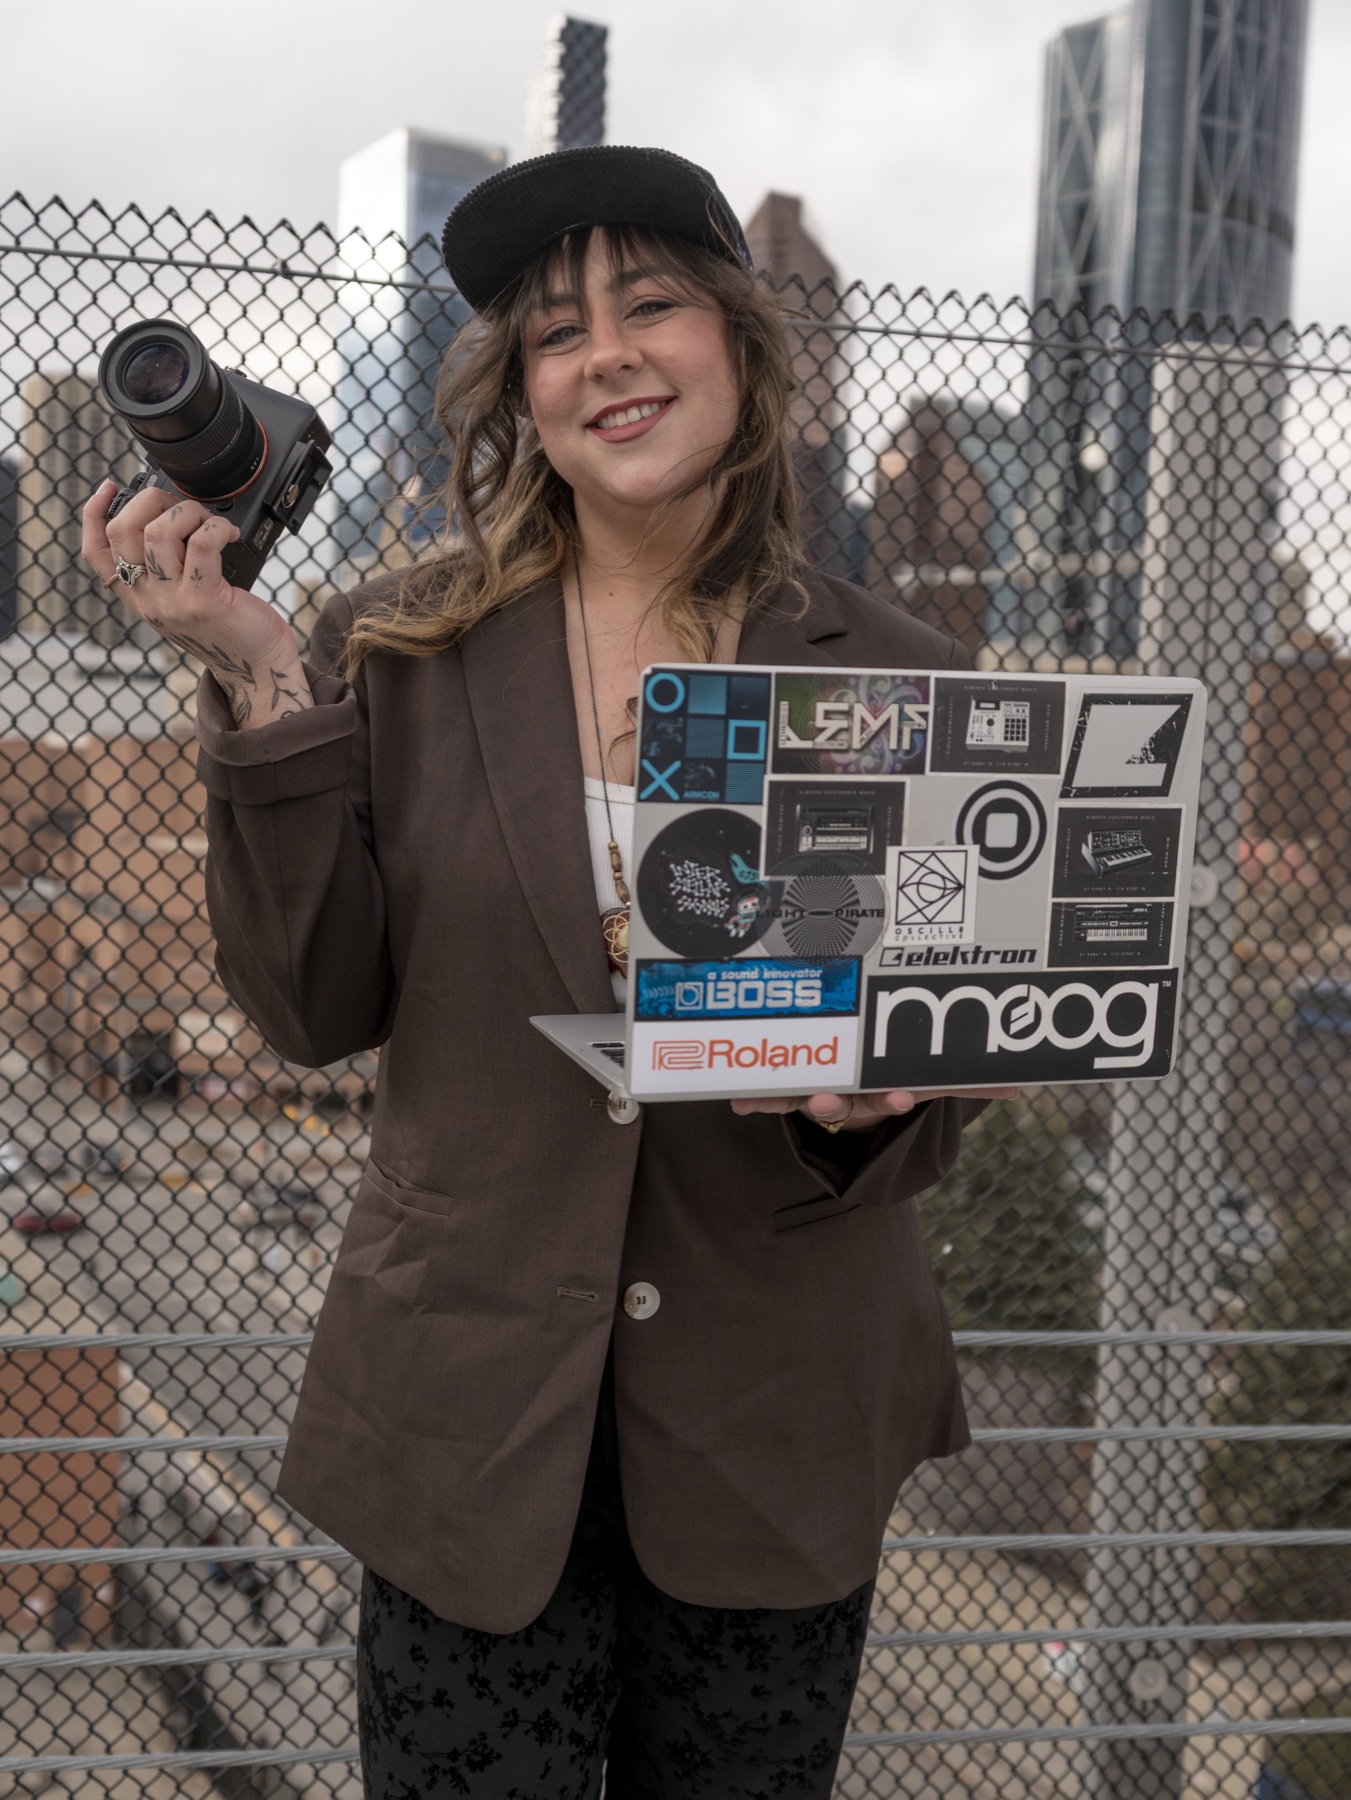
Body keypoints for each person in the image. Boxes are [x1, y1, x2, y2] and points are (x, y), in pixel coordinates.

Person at [82, 146, 1013, 1800]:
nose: (610, 357)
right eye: (559, 333)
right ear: (524, 394)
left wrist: (866, 1110)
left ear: (742, 343)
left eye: (652, 305)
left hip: (770, 1422)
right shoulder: (397, 642)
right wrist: (254, 680)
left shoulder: (904, 676)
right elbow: (309, 1011)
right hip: (465, 1424)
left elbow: (936, 1108)